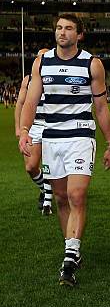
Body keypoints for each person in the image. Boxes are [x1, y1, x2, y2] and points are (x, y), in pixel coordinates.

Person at [18, 13, 110, 286]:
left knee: (76, 194)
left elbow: (100, 108)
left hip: (80, 137)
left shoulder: (91, 64)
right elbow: (30, 102)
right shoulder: (42, 62)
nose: (63, 33)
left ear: (80, 34)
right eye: (59, 28)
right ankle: (71, 248)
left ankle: (70, 259)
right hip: (51, 138)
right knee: (61, 197)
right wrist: (25, 131)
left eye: (69, 28)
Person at [15, 48, 53, 215]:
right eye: (39, 57)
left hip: (53, 125)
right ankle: (45, 190)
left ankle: (48, 201)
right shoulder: (28, 80)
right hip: (35, 125)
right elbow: (21, 104)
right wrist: (20, 128)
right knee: (31, 167)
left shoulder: (55, 78)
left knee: (51, 166)